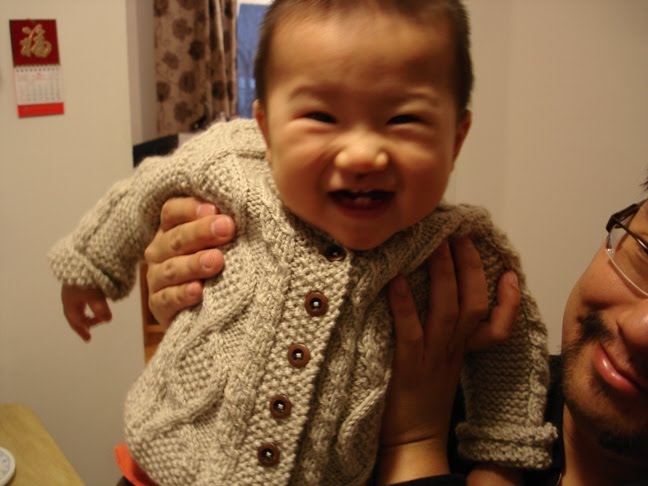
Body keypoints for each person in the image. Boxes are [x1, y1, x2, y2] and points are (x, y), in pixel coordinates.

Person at [49, 1, 555, 484]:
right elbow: (144, 190)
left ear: (456, 139)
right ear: (267, 129)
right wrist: (91, 266)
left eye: (404, 119)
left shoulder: (457, 248)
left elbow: (511, 352)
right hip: (164, 464)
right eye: (322, 117)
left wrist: (498, 460)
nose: (363, 155)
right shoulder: (230, 164)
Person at [141, 186, 648, 486]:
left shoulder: (446, 400)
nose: (642, 329)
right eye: (646, 254)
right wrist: (215, 314)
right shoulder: (446, 356)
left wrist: (415, 444)